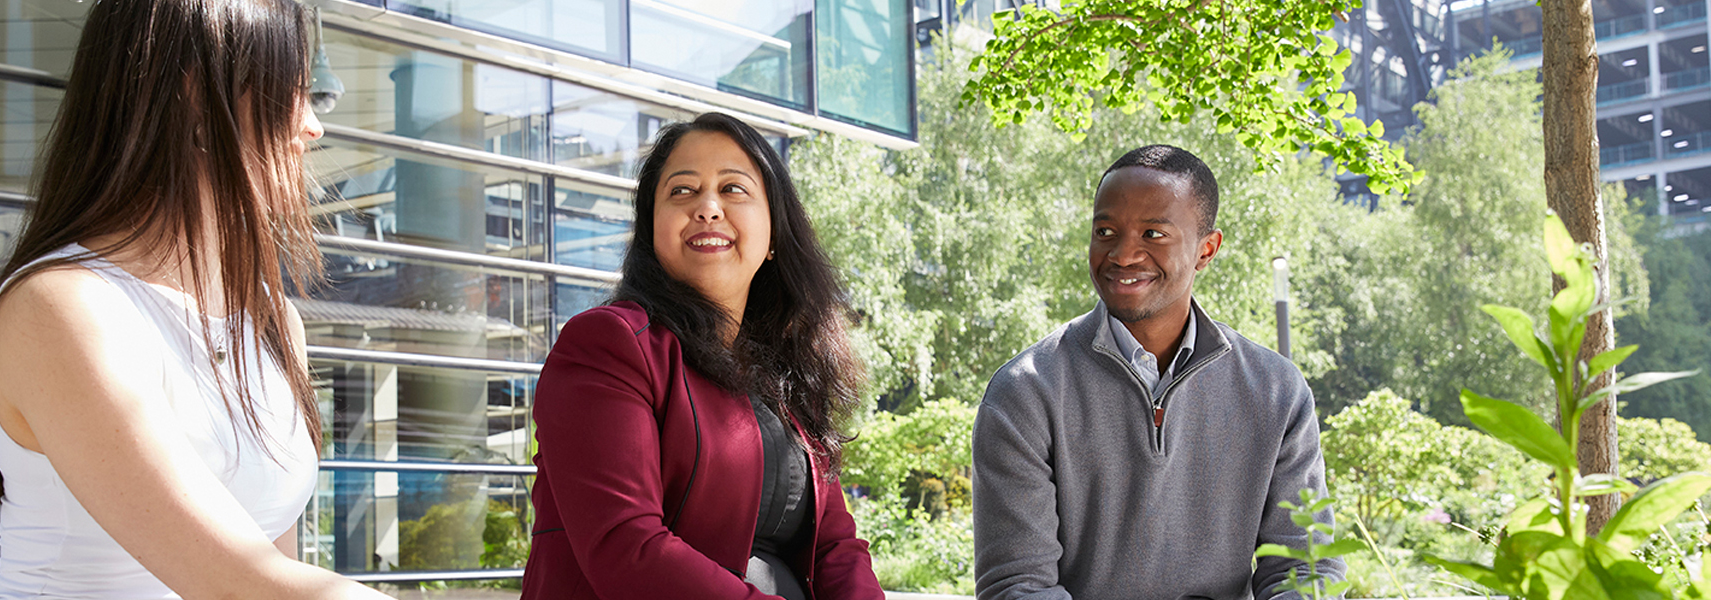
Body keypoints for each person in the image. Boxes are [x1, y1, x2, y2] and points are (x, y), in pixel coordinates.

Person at [0, 1, 389, 598]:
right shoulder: (63, 308)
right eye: (293, 91)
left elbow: (277, 568)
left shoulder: (270, 319)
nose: (313, 126)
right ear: (196, 94)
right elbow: (239, 582)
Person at [520, 112, 886, 600]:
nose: (708, 207)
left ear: (774, 233)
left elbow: (837, 548)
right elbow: (626, 547)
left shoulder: (787, 376)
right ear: (653, 228)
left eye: (733, 189)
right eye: (682, 191)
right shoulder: (608, 345)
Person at [972, 145, 1343, 600]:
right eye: (1105, 231)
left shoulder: (1276, 390)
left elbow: (1304, 568)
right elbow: (1018, 585)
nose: (1124, 254)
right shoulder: (1026, 391)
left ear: (1206, 250)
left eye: (1153, 233)